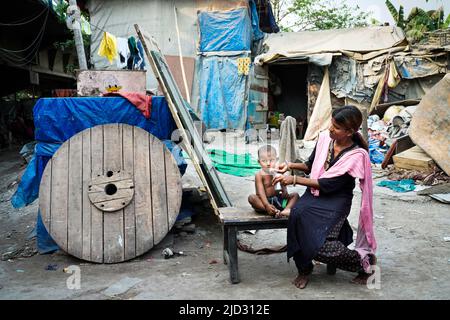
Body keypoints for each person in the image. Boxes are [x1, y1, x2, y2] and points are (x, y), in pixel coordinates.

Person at [272, 105, 377, 289]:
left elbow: (327, 185)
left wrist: (294, 179)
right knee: (296, 216)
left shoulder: (356, 155)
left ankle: (364, 263)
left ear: (349, 132)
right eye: (332, 123)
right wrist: (289, 165)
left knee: (321, 246)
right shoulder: (324, 140)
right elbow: (311, 165)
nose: (330, 129)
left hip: (336, 200)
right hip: (315, 195)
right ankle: (304, 268)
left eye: (336, 127)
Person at [248, 145, 299, 218]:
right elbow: (260, 193)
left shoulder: (278, 171)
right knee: (252, 198)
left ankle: (286, 210)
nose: (268, 164)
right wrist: (266, 205)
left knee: (295, 195)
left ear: (276, 159)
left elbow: (283, 184)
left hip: (281, 201)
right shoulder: (259, 175)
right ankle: (270, 210)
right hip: (265, 202)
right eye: (264, 161)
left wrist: (284, 191)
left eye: (271, 160)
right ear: (259, 162)